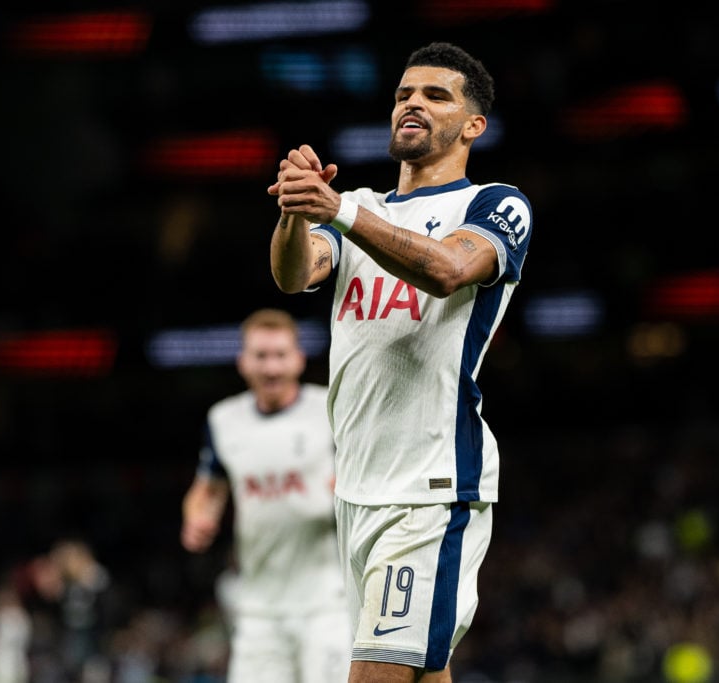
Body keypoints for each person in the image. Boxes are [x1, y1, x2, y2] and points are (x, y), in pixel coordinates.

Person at [268, 42, 533, 683]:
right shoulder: (366, 207)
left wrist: (338, 210)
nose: (412, 103)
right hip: (357, 488)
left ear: (474, 125)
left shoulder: (496, 204)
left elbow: (448, 271)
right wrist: (293, 213)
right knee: (420, 672)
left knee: (375, 675)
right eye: (403, 94)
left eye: (435, 95)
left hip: (431, 486)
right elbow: (295, 274)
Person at [180, 308, 352, 682]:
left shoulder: (330, 408)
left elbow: (368, 471)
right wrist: (196, 517)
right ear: (243, 362)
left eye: (280, 355)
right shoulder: (224, 420)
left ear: (298, 359)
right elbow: (207, 488)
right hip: (258, 607)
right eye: (261, 356)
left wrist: (349, 487)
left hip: (327, 602)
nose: (271, 368)